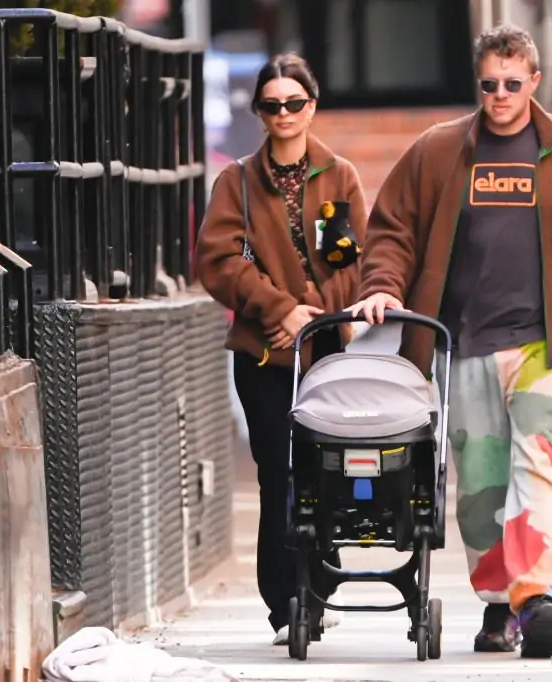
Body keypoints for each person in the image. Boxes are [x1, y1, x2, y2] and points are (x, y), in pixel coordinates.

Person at [348, 24, 552, 659]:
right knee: (478, 488)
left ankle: (537, 600)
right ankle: (499, 605)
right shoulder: (439, 152)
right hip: (466, 343)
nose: (500, 94)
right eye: (488, 84)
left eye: (512, 83)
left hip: (546, 347)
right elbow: (393, 228)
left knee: (542, 473)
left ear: (534, 82)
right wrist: (383, 285)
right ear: (477, 83)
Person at [195, 52, 367, 646]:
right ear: (260, 112)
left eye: (295, 102)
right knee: (277, 472)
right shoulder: (236, 181)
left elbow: (352, 259)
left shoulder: (339, 175)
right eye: (272, 105)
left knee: (324, 469)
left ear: (312, 106)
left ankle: (320, 581)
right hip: (264, 353)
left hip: (324, 352)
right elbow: (217, 261)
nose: (285, 113)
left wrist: (312, 314)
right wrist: (279, 310)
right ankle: (285, 602)